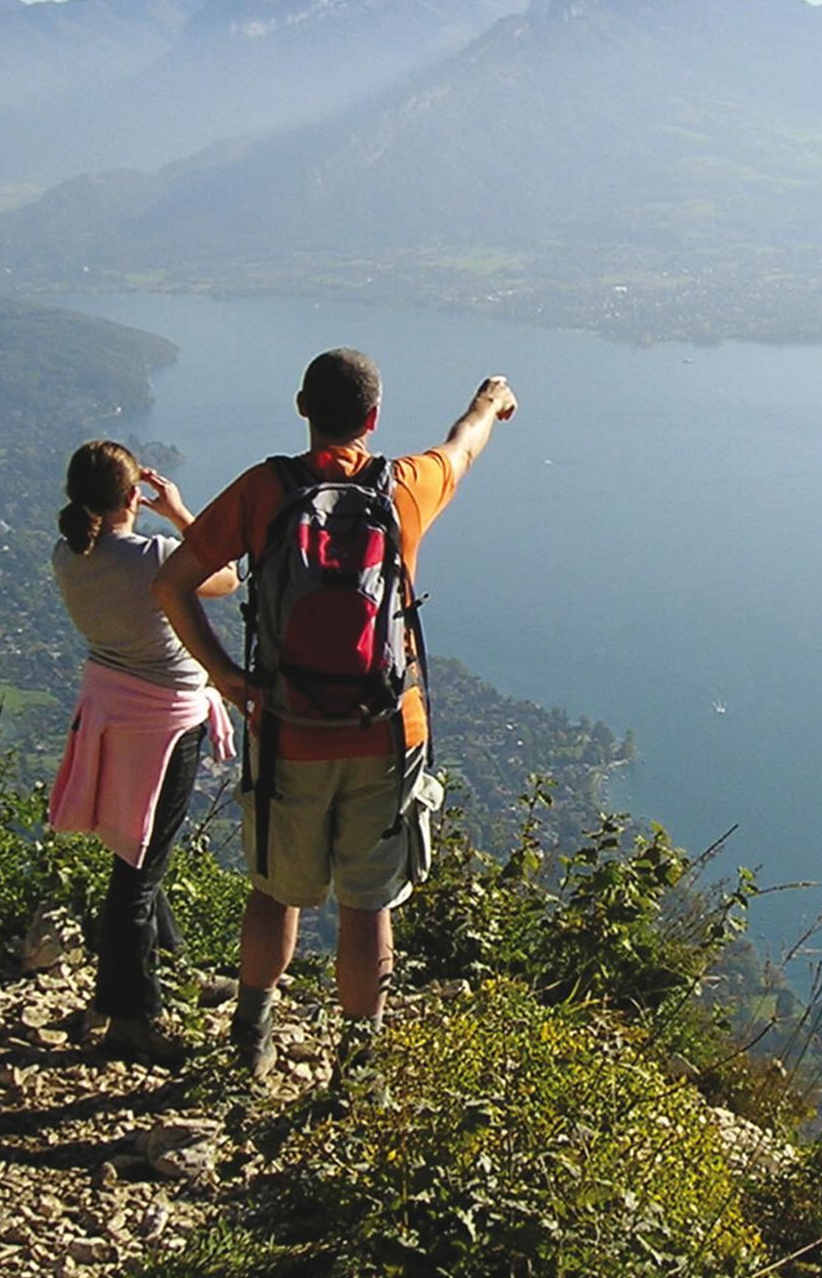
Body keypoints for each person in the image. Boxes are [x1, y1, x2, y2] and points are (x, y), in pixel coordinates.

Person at [153, 349, 517, 1079]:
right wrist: (490, 404)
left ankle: (251, 1041)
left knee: (275, 891)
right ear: (374, 420)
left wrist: (227, 677)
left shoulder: (264, 490)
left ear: (301, 408)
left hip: (286, 730)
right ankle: (358, 1070)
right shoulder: (404, 486)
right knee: (367, 904)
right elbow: (464, 444)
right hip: (385, 733)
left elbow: (173, 584)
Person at [48, 439, 239, 1066]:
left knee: (134, 851)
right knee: (139, 874)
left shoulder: (69, 556)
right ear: (135, 496)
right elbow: (226, 579)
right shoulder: (155, 557)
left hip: (109, 716)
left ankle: (167, 973)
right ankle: (132, 1016)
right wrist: (180, 513)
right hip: (163, 726)